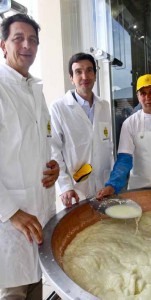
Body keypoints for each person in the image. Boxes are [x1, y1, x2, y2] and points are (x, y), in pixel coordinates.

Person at [0, 13, 59, 299]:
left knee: (36, 286)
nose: (27, 45)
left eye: (33, 40)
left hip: (39, 214)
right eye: (18, 38)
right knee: (14, 291)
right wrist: (10, 211)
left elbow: (40, 142)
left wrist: (53, 167)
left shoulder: (35, 89)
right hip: (11, 225)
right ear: (3, 45)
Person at [50, 52, 114, 208]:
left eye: (89, 70)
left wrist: (112, 181)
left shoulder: (104, 106)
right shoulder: (59, 108)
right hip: (76, 189)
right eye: (78, 72)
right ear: (71, 78)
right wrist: (65, 186)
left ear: (95, 75)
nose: (85, 76)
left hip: (103, 186)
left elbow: (108, 146)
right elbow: (53, 151)